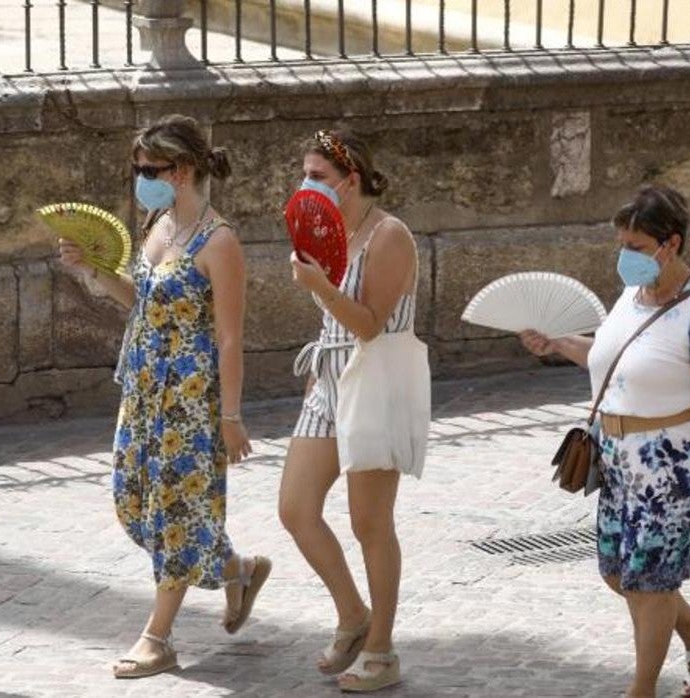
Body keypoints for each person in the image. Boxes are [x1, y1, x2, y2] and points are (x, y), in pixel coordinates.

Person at [520, 184, 690, 698]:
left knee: (648, 584)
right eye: (622, 245)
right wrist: (558, 342)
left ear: (669, 244)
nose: (623, 256)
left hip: (676, 465)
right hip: (618, 460)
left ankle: (641, 690)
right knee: (618, 573)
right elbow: (612, 358)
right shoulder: (631, 297)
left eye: (634, 246)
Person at [58, 114, 270, 679]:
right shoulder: (158, 222)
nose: (141, 178)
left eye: (149, 169)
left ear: (181, 170)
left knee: (174, 510)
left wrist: (231, 415)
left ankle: (158, 635)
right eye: (138, 169)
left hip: (190, 397)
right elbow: (142, 301)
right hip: (144, 386)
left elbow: (229, 335)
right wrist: (96, 270)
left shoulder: (219, 242)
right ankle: (235, 569)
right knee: (134, 503)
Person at [280, 129, 426, 693]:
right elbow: (334, 325)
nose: (308, 184)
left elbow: (367, 323)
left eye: (318, 175)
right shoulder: (325, 230)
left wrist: (317, 284)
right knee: (295, 508)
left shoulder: (390, 236)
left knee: (370, 522)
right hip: (329, 381)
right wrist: (317, 371)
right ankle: (352, 614)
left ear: (352, 178)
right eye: (306, 174)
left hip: (377, 380)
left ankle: (382, 649)